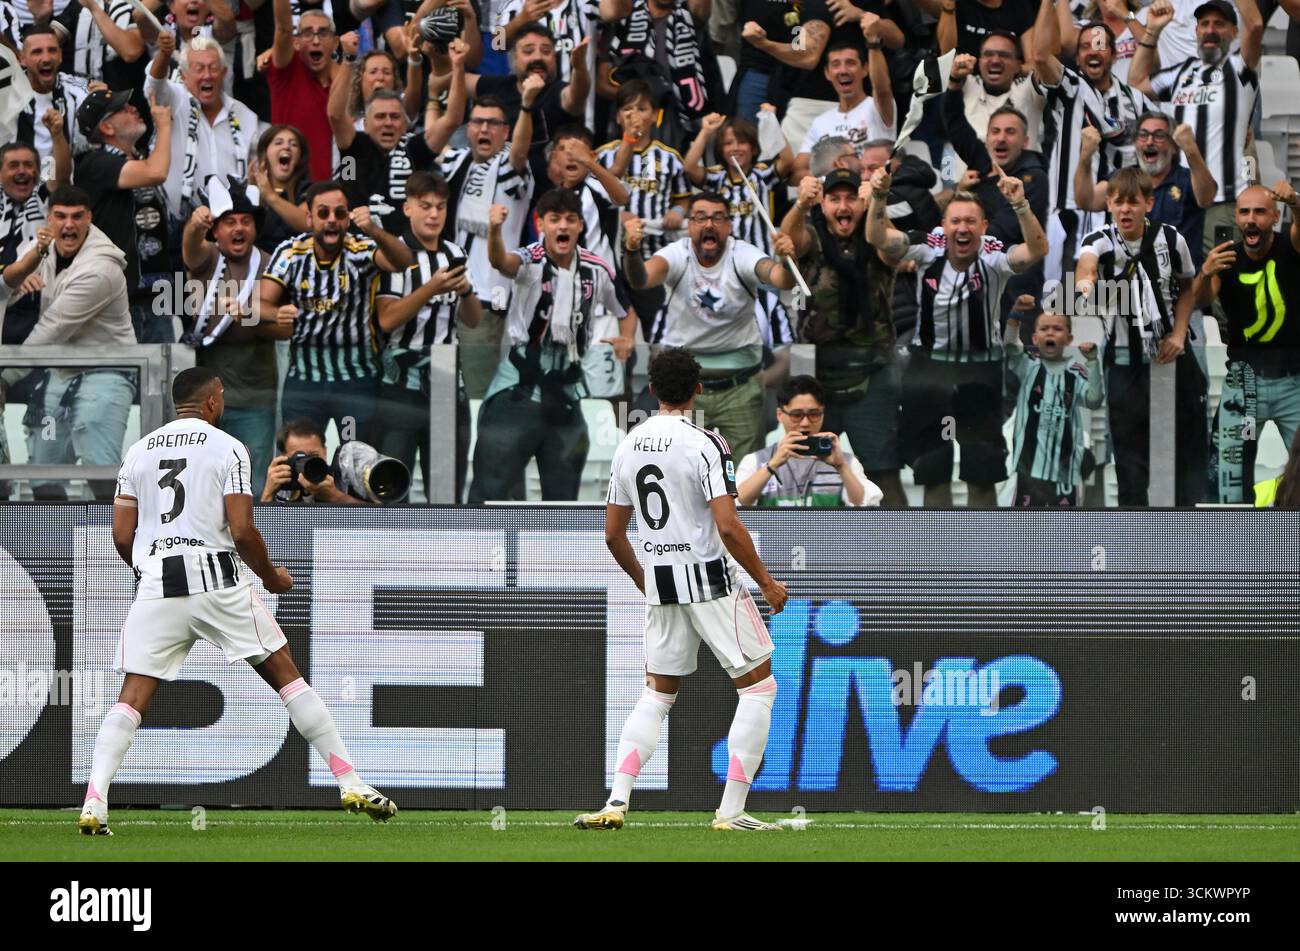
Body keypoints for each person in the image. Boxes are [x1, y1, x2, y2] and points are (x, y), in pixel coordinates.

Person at [78, 368, 395, 836]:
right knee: (286, 674)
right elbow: (242, 529)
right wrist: (272, 577)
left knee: (133, 695)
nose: (222, 402)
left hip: (157, 584)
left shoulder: (139, 451)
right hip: (216, 579)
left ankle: (95, 800)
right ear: (211, 403)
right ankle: (349, 780)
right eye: (221, 396)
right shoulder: (228, 447)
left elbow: (122, 533)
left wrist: (147, 571)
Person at [573, 347, 789, 832]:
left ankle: (616, 800)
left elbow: (612, 533)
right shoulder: (705, 443)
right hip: (710, 579)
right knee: (759, 688)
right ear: (698, 389)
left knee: (657, 694)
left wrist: (646, 580)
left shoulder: (629, 444)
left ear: (651, 390)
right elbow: (729, 527)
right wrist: (767, 583)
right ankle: (730, 813)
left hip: (662, 583)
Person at [866, 165, 1050, 507]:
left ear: (983, 227)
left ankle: (984, 556)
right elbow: (878, 238)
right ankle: (939, 555)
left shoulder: (994, 254)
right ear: (944, 226)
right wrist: (877, 196)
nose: (962, 228)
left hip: (980, 369)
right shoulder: (927, 245)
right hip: (929, 369)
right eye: (955, 221)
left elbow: (1037, 250)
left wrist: (1021, 206)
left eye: (970, 221)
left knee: (983, 469)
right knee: (933, 468)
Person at [468, 187, 625, 501]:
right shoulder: (531, 259)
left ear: (581, 225)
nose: (563, 227)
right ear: (541, 224)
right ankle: (480, 552)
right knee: (490, 494)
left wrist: (628, 337)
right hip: (519, 392)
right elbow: (502, 262)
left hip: (566, 396)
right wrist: (496, 231)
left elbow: (625, 308)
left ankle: (555, 552)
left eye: (570, 219)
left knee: (562, 503)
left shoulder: (598, 269)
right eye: (555, 220)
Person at [623, 191, 799, 461]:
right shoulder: (677, 254)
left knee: (744, 476)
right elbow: (641, 279)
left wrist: (787, 259)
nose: (709, 224)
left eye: (718, 218)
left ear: (729, 225)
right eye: (701, 217)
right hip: (686, 389)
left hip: (740, 388)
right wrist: (632, 251)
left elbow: (781, 279)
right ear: (690, 225)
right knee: (683, 474)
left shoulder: (742, 253)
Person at [1075, 165, 1206, 505]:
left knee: (1182, 454)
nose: (1124, 209)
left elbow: (1188, 286)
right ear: (1108, 205)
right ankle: (1135, 544)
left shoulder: (1172, 239)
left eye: (1132, 202)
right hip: (1124, 363)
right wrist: (1086, 284)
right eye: (1117, 202)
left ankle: (1187, 544)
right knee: (1131, 463)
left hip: (1170, 357)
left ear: (1149, 203)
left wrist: (1179, 334)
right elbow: (1086, 266)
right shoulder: (1099, 241)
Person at [780, 169, 907, 507]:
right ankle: (805, 547)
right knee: (805, 467)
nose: (843, 206)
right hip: (817, 378)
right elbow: (790, 240)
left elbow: (890, 244)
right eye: (834, 199)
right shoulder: (813, 237)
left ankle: (906, 553)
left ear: (862, 202)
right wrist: (799, 205)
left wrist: (879, 199)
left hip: (873, 372)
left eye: (851, 198)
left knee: (884, 472)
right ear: (823, 204)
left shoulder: (876, 230)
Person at [0, 184, 135, 502]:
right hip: (59, 373)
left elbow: (50, 330)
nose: (68, 225)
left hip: (106, 374)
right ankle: (53, 546)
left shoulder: (101, 269)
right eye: (60, 216)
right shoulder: (41, 246)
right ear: (49, 219)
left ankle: (115, 548)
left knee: (100, 468)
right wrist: (21, 279)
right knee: (43, 471)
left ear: (89, 218)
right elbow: (10, 282)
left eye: (77, 217)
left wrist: (4, 378)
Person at [258, 180, 414, 445]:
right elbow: (259, 304)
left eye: (340, 213)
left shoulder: (361, 249)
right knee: (299, 461)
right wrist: (276, 313)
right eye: (323, 213)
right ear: (309, 218)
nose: (332, 220)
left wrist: (374, 230)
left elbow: (402, 261)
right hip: (305, 381)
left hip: (356, 380)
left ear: (348, 217)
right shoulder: (291, 251)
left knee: (358, 461)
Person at [375, 172, 481, 501]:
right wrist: (432, 287)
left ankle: (447, 551)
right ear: (407, 208)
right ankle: (389, 553)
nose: (434, 214)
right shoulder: (397, 254)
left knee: (446, 488)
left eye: (440, 207)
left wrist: (465, 293)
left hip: (447, 377)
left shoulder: (455, 253)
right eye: (425, 206)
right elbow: (388, 319)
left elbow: (473, 321)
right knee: (392, 488)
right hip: (400, 380)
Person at [1129, 0, 1263, 256]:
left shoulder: (1240, 68)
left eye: (1219, 24)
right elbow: (1136, 82)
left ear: (1234, 32)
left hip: (1222, 201)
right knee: (1178, 280)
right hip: (1180, 199)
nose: (1210, 30)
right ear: (1196, 32)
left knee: (1217, 285)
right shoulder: (1183, 72)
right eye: (1204, 24)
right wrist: (1153, 30)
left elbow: (1255, 25)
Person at [1195, 182, 1300, 503]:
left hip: (1293, 384)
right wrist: (1204, 272)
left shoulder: (1291, 247)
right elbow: (1201, 300)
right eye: (1244, 212)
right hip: (1243, 387)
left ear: (1275, 216)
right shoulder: (1225, 257)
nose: (1251, 219)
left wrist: (1296, 202)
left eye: (1259, 212)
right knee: (1229, 479)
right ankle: (1232, 548)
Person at [181, 179, 278, 496]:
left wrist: (252, 312)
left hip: (254, 396)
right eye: (230, 222)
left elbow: (289, 322)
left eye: (246, 221)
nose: (239, 229)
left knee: (252, 481)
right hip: (203, 401)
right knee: (200, 481)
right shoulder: (208, 257)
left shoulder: (271, 263)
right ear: (217, 230)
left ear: (255, 227)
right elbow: (190, 249)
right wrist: (195, 226)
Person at [437, 94, 536, 399]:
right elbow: (433, 142)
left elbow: (519, 153)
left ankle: (477, 446)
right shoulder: (459, 161)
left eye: (493, 124)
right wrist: (434, 91)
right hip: (447, 296)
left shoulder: (511, 167)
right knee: (445, 391)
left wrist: (527, 105)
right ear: (468, 128)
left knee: (479, 393)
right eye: (478, 122)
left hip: (486, 301)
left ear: (506, 131)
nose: (484, 129)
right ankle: (448, 446)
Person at [329, 33, 464, 237]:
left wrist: (459, 67)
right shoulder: (354, 146)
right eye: (380, 117)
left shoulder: (414, 148)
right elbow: (335, 115)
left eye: (394, 117)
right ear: (365, 124)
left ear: (404, 123)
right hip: (358, 248)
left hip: (406, 252)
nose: (388, 123)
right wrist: (348, 60)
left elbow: (452, 119)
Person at [74, 87, 176, 344]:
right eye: (123, 109)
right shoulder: (94, 163)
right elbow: (156, 172)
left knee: (161, 380)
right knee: (127, 380)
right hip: (123, 300)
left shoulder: (139, 159)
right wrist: (163, 126)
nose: (133, 109)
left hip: (156, 295)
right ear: (106, 127)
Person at [595, 79, 690, 340]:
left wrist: (678, 213)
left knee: (657, 327)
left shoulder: (670, 158)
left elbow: (684, 199)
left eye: (641, 108)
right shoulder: (601, 157)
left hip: (651, 258)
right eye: (627, 109)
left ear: (655, 116)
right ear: (617, 117)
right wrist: (618, 215)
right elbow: (591, 202)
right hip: (610, 258)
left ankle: (660, 378)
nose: (634, 115)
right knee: (613, 332)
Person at [1074, 111, 1217, 272]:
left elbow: (1207, 198)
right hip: (1127, 281)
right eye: (1143, 135)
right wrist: (1085, 157)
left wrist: (1191, 149)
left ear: (1174, 146)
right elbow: (1086, 201)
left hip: (1177, 282)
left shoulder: (1187, 180)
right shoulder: (1122, 178)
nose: (1149, 141)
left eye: (1159, 136)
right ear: (1135, 143)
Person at [145, 32, 260, 223]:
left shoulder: (245, 117)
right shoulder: (174, 102)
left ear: (223, 73)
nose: (207, 75)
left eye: (213, 68)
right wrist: (164, 55)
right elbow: (154, 86)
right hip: (180, 224)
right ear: (183, 76)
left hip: (232, 227)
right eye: (199, 69)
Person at [1003, 300, 1104, 505]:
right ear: (1034, 337)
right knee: (1025, 531)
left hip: (1065, 471)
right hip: (1029, 468)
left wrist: (1092, 362)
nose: (1050, 333)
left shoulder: (1076, 371)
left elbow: (1094, 400)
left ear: (1069, 339)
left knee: (1062, 532)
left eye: (1057, 329)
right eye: (1044, 328)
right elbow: (1011, 346)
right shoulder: (1028, 365)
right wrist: (1014, 318)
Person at [735, 374, 883, 507]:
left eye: (814, 414)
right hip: (772, 536)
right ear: (780, 415)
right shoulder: (755, 461)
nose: (805, 422)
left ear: (823, 414)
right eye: (796, 415)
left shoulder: (845, 462)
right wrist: (772, 465)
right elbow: (738, 503)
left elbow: (865, 507)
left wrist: (841, 467)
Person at [793, 34, 895, 184]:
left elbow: (882, 89)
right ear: (827, 73)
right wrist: (834, 177)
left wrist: (873, 46)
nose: (843, 70)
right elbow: (796, 172)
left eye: (851, 63)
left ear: (865, 69)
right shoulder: (820, 122)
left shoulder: (876, 108)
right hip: (833, 199)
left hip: (873, 194)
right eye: (835, 64)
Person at [266, 0, 344, 182]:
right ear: (297, 42)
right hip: (287, 190)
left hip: (329, 195)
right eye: (307, 33)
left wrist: (349, 186)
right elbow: (284, 28)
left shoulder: (344, 83)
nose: (316, 40)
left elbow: (351, 149)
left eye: (323, 33)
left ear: (335, 42)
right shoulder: (285, 71)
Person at [15, 25, 91, 167]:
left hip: (62, 186)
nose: (46, 58)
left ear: (61, 55)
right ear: (22, 59)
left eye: (52, 50)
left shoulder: (77, 91)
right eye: (37, 52)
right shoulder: (6, 93)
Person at [260, 417, 368, 505]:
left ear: (325, 452)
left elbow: (378, 520)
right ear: (284, 457)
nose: (307, 463)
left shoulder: (342, 476)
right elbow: (260, 529)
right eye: (299, 457)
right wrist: (268, 494)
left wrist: (334, 496)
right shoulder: (282, 478)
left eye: (314, 456)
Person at [249, 123, 311, 254]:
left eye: (293, 144)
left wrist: (270, 195)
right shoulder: (249, 190)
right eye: (278, 143)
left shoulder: (308, 189)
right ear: (264, 154)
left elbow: (307, 222)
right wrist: (251, 190)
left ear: (299, 157)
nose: (286, 147)